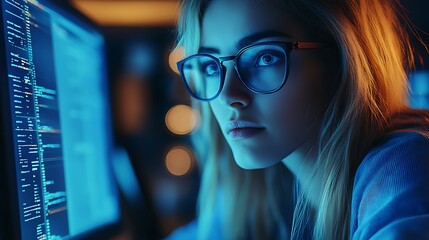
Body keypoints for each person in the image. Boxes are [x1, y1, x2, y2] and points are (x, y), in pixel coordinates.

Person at [170, 0, 429, 239]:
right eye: (212, 66)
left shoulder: (405, 163)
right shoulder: (264, 185)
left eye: (264, 57)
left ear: (341, 57)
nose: (228, 95)